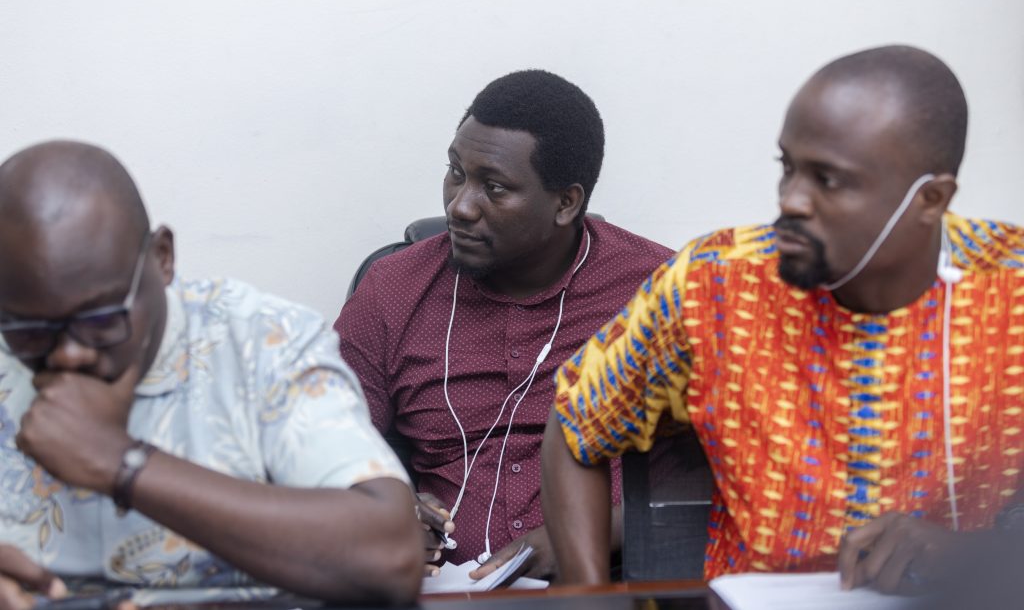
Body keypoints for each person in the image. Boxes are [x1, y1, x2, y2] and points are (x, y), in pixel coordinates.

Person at [541, 45, 1024, 593]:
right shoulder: (713, 283)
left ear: (930, 199)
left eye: (829, 180)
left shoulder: (1009, 294)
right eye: (788, 168)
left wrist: (974, 552)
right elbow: (576, 423)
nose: (791, 200)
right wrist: (587, 595)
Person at [0, 141, 421, 608]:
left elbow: (390, 558)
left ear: (162, 258)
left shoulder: (266, 343)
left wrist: (122, 462)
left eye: (101, 320)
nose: (69, 355)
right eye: (29, 332)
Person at [335, 69, 673, 580]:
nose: (460, 206)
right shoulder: (393, 289)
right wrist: (379, 506)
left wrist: (587, 532)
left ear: (566, 203)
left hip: (612, 583)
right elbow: (317, 444)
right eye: (455, 172)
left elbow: (733, 473)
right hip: (438, 588)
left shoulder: (661, 292)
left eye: (493, 188)